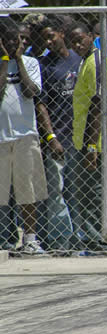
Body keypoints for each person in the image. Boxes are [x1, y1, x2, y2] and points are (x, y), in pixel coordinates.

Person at [66, 21, 107, 255]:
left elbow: (97, 106)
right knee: (84, 192)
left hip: (94, 141)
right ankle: (90, 239)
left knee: (93, 193)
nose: (78, 45)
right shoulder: (85, 62)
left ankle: (98, 241)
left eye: (81, 39)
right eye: (73, 43)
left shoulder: (97, 62)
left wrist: (90, 147)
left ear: (90, 37)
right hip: (85, 138)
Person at [0, 18, 49, 255]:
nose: (11, 43)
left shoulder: (30, 62)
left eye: (15, 39)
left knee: (26, 189)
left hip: (25, 135)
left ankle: (30, 239)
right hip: (1, 137)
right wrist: (4, 61)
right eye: (6, 39)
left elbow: (30, 92)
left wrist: (17, 59)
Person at [34, 16, 80, 254]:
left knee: (77, 192)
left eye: (51, 36)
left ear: (62, 33)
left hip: (79, 138)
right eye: (45, 38)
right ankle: (61, 242)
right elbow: (41, 105)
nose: (48, 41)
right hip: (58, 139)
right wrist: (51, 137)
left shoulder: (79, 61)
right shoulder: (43, 65)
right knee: (57, 191)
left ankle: (79, 240)